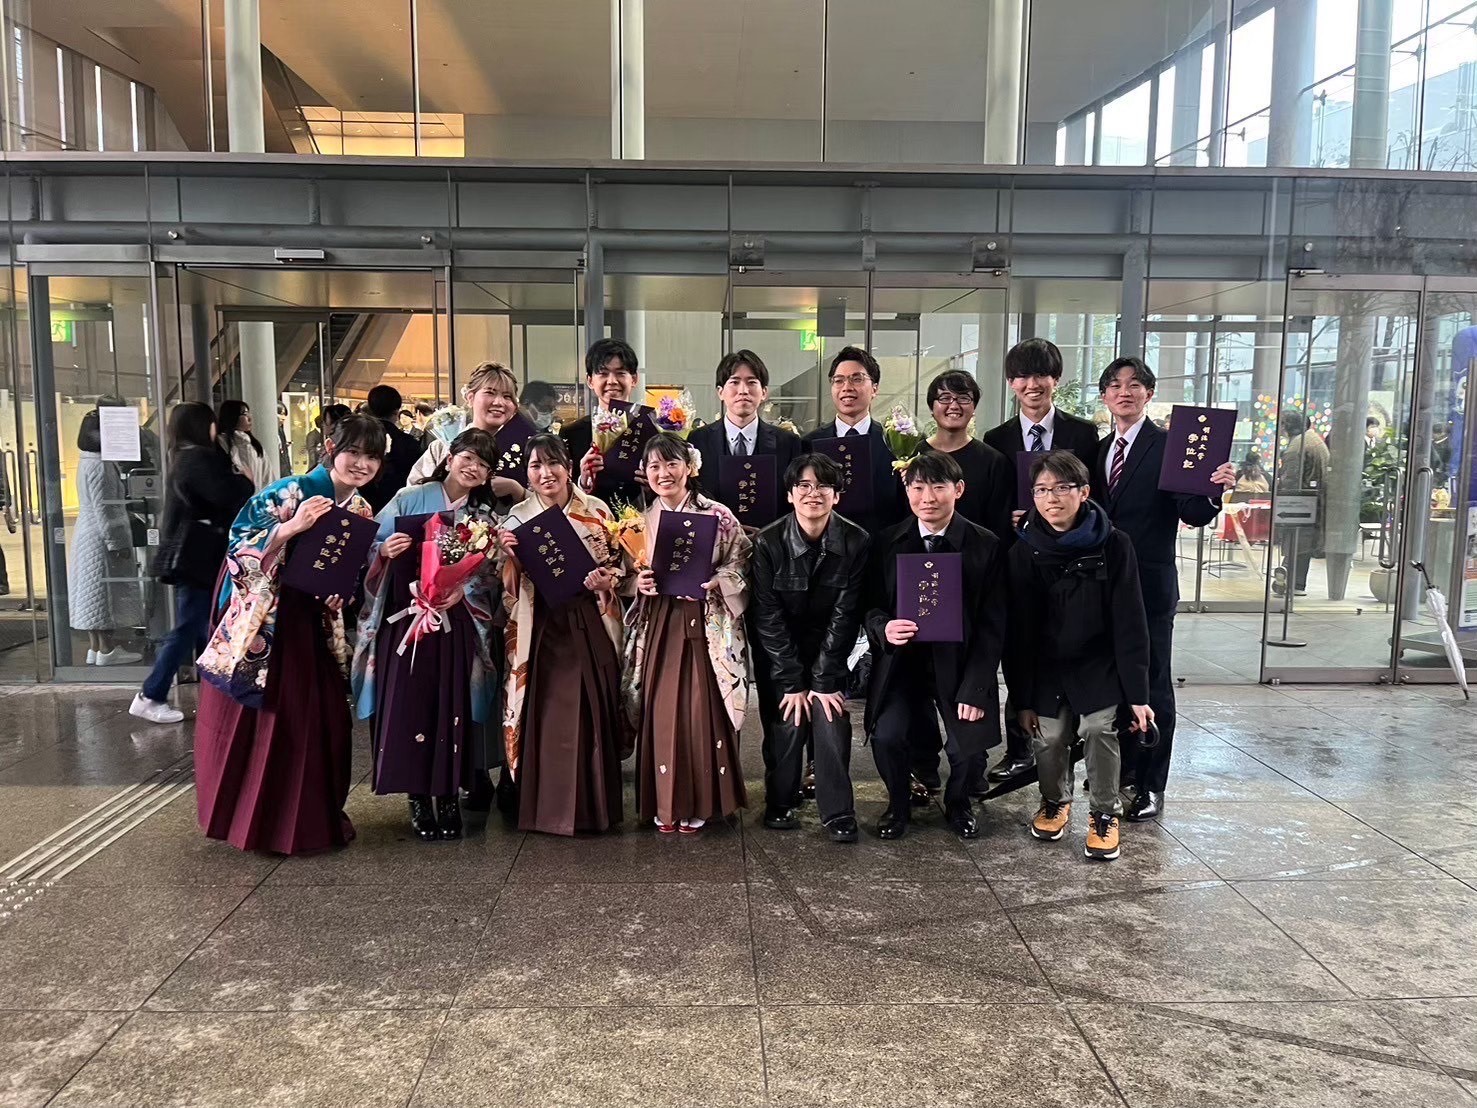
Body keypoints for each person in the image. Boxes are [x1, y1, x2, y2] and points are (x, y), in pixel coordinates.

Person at [193, 413, 385, 855]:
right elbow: (238, 544)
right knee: (273, 713)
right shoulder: (291, 491)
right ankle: (259, 821)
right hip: (271, 619)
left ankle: (309, 819)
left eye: (372, 457)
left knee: (319, 718)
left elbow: (348, 568)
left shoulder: (360, 509)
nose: (361, 464)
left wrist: (341, 592)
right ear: (331, 449)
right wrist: (291, 527)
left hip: (314, 619)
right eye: (353, 452)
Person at [1096, 357, 1234, 822]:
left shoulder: (1171, 446)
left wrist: (1213, 491)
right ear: (1105, 396)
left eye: (1135, 384)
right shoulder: (1099, 450)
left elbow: (1192, 512)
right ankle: (1121, 773)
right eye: (1115, 385)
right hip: (1102, 586)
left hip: (1150, 586)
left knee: (1153, 682)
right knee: (1115, 682)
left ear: (1149, 394)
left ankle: (1151, 785)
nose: (1125, 392)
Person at [352, 428, 501, 842]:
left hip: (454, 624)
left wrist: (462, 590)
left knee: (451, 704)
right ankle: (418, 796)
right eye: (467, 457)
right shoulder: (408, 498)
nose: (473, 468)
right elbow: (370, 543)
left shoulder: (482, 518)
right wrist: (384, 550)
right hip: (405, 618)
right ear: (449, 458)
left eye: (483, 464)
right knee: (411, 704)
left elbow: (489, 573)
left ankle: (448, 793)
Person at [1008, 450, 1151, 862]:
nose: (1051, 498)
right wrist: (1022, 699)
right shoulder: (1023, 550)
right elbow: (1018, 634)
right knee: (1049, 735)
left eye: (1061, 488)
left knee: (1099, 729)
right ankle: (1055, 801)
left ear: (1084, 492)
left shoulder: (1115, 544)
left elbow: (1131, 623)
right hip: (1046, 667)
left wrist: (1138, 696)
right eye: (1041, 490)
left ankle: (1105, 813)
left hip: (1098, 664)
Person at [863, 451, 1006, 841]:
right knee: (887, 735)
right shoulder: (887, 541)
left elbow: (993, 625)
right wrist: (883, 627)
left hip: (960, 664)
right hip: (902, 663)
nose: (927, 497)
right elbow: (870, 605)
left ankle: (959, 804)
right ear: (907, 490)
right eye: (918, 487)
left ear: (958, 490)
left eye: (938, 487)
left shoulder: (985, 544)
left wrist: (976, 687)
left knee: (966, 747)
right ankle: (898, 804)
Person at [981, 338, 1103, 786]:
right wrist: (1010, 518)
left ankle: (1080, 746)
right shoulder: (996, 439)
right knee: (1020, 647)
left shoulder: (1083, 435)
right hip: (1022, 561)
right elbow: (993, 504)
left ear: (1056, 379)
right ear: (1010, 383)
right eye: (1022, 376)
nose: (1032, 384)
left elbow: (1095, 497)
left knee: (1076, 646)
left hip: (1074, 562)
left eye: (1041, 375)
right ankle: (1019, 749)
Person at [498, 434, 628, 836]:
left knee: (591, 707)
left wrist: (607, 580)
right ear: (527, 473)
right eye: (535, 466)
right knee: (545, 710)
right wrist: (509, 557)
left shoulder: (596, 510)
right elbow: (506, 587)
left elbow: (621, 563)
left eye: (553, 463)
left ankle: (594, 807)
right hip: (539, 623)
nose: (545, 473)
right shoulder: (516, 517)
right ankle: (544, 809)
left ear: (569, 467)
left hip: (588, 617)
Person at [625, 432, 751, 834]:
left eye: (672, 463)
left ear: (690, 467)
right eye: (654, 466)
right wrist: (638, 583)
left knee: (701, 707)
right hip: (660, 620)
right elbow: (624, 572)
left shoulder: (718, 515)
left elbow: (742, 559)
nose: (664, 473)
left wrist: (721, 581)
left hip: (705, 618)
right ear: (645, 473)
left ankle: (703, 800)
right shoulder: (638, 521)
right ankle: (665, 802)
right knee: (661, 707)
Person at [749, 454, 869, 841]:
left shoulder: (856, 541)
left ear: (837, 495)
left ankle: (838, 812)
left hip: (830, 649)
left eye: (823, 486)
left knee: (830, 718)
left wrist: (823, 679)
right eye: (803, 485)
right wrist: (792, 681)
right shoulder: (768, 542)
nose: (812, 493)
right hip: (779, 653)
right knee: (787, 720)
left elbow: (846, 613)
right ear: (789, 494)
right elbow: (766, 616)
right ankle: (780, 801)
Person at [131, 403, 254, 724]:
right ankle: (151, 694)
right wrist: (245, 481)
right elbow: (225, 495)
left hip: (196, 556)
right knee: (189, 626)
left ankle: (222, 690)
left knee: (203, 627)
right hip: (197, 558)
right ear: (203, 426)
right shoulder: (197, 458)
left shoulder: (182, 456)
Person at [800, 345, 906, 536]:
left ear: (874, 388)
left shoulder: (896, 442)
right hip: (824, 545)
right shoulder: (809, 444)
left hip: (882, 544)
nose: (847, 387)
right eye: (838, 380)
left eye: (857, 379)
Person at [67, 409, 144, 666]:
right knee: (104, 595)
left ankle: (96, 647)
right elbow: (107, 508)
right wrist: (117, 543)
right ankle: (108, 650)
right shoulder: (102, 465)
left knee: (90, 593)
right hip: (101, 536)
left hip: (86, 532)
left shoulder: (86, 460)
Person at [689, 350, 803, 519]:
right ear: (720, 392)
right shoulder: (698, 440)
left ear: (764, 392)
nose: (743, 390)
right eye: (734, 382)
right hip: (715, 533)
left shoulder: (788, 443)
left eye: (751, 382)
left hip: (771, 534)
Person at [411, 362, 529, 510]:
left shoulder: (527, 447)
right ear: (470, 397)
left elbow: (547, 501)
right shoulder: (444, 446)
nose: (499, 402)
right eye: (490, 392)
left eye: (507, 396)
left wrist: (517, 490)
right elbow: (414, 494)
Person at [563, 338, 646, 509]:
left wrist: (653, 486)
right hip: (590, 522)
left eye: (620, 373)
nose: (612, 381)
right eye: (603, 373)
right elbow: (560, 491)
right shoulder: (571, 434)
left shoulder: (650, 429)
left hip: (643, 521)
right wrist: (583, 481)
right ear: (590, 380)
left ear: (634, 379)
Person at [1273, 409, 1329, 598]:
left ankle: (1288, 580)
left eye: (1282, 423)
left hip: (1300, 503)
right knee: (1302, 544)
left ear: (1287, 426)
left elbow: (1290, 481)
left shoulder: (1297, 447)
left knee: (1295, 541)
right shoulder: (1313, 439)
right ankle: (1296, 583)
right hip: (1315, 501)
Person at [360, 384, 426, 513]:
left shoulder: (359, 440)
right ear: (397, 411)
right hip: (400, 508)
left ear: (370, 408)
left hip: (363, 507)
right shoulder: (409, 443)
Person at [217, 399, 271, 491]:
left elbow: (268, 476)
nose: (249, 418)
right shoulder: (221, 443)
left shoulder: (255, 445)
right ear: (232, 416)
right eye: (245, 414)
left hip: (257, 497)